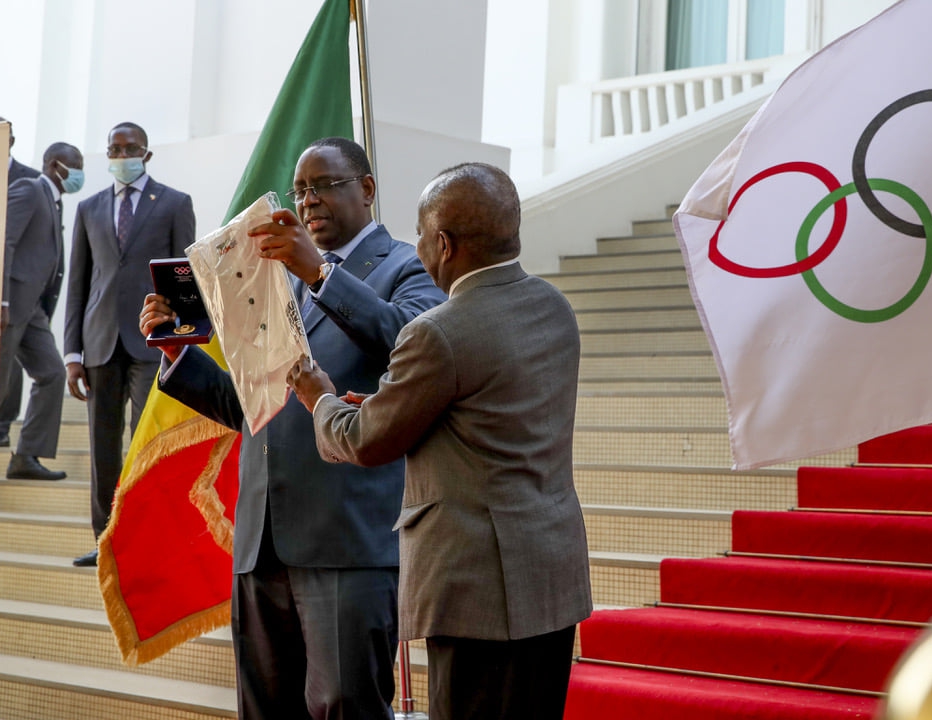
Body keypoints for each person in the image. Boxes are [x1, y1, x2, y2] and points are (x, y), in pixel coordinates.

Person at [138, 137, 445, 719]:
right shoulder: (280, 285)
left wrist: (322, 273)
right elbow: (255, 407)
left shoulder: (407, 267)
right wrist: (179, 354)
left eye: (324, 185)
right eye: (300, 189)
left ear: (368, 189)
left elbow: (411, 344)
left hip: (345, 539)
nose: (308, 200)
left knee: (344, 706)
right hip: (262, 541)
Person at [289, 162, 593, 720]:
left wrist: (321, 398)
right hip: (550, 577)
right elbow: (484, 411)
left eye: (423, 235)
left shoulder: (438, 332)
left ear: (445, 245)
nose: (419, 246)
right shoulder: (554, 307)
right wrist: (385, 405)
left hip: (476, 592)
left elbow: (364, 443)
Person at [64, 122, 195, 567]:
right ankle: (106, 542)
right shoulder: (89, 208)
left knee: (145, 441)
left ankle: (145, 537)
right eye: (113, 149)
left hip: (152, 342)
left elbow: (184, 276)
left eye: (129, 148)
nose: (120, 155)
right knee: (103, 449)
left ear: (147, 153)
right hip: (98, 343)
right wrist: (72, 354)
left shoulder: (175, 203)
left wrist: (183, 340)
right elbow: (79, 284)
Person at [0, 143, 83, 481]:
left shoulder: (54, 200)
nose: (78, 173)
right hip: (10, 304)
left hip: (32, 309)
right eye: (74, 166)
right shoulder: (30, 188)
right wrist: (1, 301)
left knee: (51, 373)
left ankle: (26, 456)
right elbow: (4, 241)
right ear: (53, 165)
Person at [0, 115, 42, 449]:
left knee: (12, 361)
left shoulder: (31, 180)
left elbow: (49, 243)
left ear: (11, 140)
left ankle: (2, 428)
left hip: (18, 289)